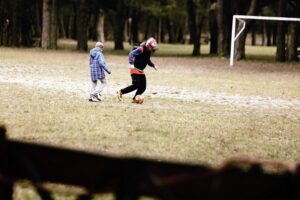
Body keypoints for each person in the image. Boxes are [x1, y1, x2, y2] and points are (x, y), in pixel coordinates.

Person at [116, 37, 158, 103]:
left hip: (141, 71)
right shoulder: (141, 49)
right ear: (148, 45)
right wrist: (131, 63)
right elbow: (131, 54)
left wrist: (153, 65)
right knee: (136, 85)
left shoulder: (148, 51)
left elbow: (147, 60)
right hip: (134, 69)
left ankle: (135, 99)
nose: (152, 49)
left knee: (143, 87)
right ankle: (120, 92)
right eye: (152, 47)